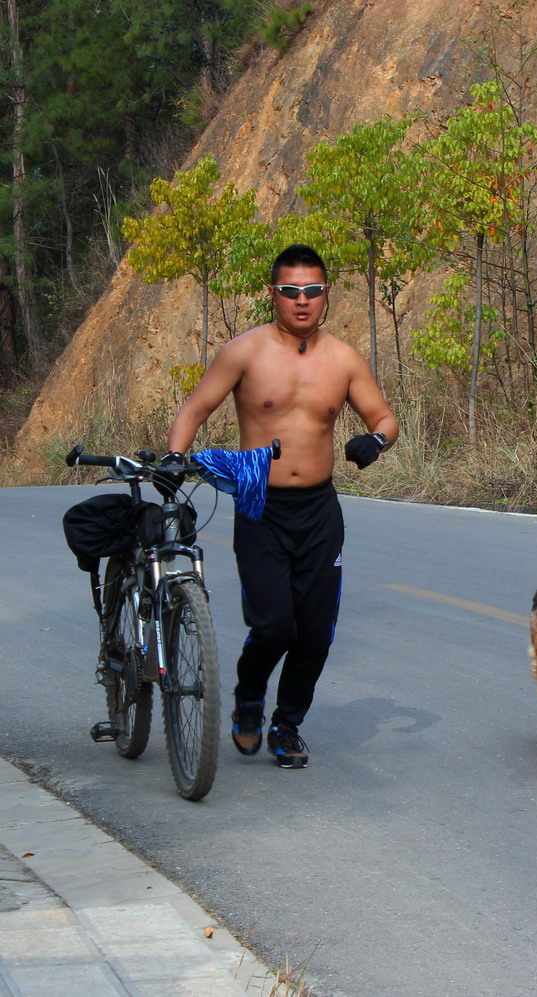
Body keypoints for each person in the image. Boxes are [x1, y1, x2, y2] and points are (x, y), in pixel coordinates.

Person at [164, 244, 398, 769]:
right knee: (274, 626)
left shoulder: (343, 359)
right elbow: (196, 407)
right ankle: (249, 699)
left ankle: (287, 725)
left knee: (315, 632)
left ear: (326, 295)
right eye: (290, 291)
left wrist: (377, 442)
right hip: (260, 505)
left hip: (319, 510)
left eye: (312, 291)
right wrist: (175, 461)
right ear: (273, 294)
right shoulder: (243, 353)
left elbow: (384, 418)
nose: (302, 301)